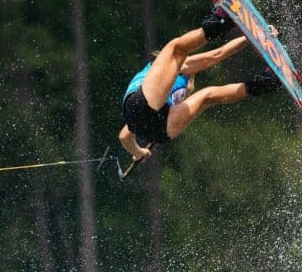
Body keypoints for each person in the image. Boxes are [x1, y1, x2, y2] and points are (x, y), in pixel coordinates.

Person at [119, 9, 281, 161]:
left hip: (160, 132)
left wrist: (139, 152)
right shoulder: (174, 68)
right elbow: (218, 54)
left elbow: (124, 136)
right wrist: (257, 36)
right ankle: (220, 22)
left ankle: (265, 82)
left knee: (208, 97)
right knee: (176, 49)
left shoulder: (184, 77)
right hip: (147, 108)